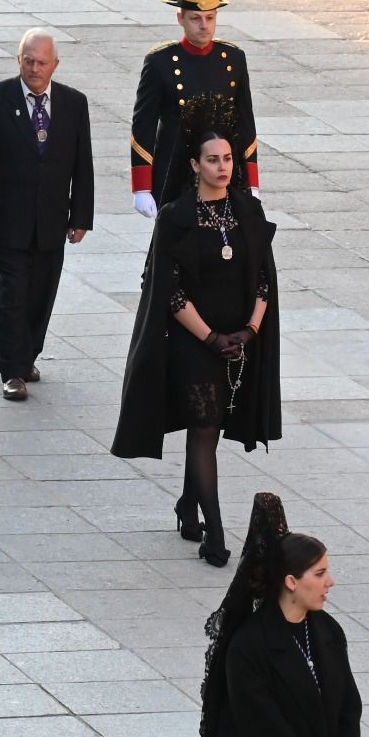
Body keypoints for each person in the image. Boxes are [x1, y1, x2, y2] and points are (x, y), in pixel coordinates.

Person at [111, 95, 280, 566]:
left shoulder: (246, 212)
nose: (223, 167)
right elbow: (169, 290)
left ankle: (188, 507)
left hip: (237, 342)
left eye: (228, 159)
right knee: (204, 430)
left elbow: (265, 278)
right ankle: (217, 534)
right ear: (194, 164)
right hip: (194, 344)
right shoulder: (177, 218)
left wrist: (249, 330)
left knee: (212, 428)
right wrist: (209, 337)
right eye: (213, 160)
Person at [189, 493, 362, 737]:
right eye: (320, 573)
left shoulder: (327, 632)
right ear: (291, 582)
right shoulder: (249, 647)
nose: (331, 582)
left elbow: (349, 710)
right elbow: (265, 731)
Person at [0, 28, 93, 400]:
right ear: (19, 60)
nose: (35, 69)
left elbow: (83, 164)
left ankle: (28, 354)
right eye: (28, 61)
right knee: (11, 295)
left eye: (42, 63)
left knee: (41, 294)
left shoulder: (73, 103)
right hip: (5, 219)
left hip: (52, 219)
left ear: (55, 64)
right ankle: (12, 371)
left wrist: (80, 215)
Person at [129, 0, 258, 219]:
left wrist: (252, 181)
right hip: (176, 169)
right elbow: (143, 126)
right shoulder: (160, 62)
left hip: (224, 171)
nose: (204, 26)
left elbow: (245, 124)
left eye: (210, 18)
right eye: (195, 18)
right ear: (181, 18)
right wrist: (142, 186)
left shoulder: (233, 58)